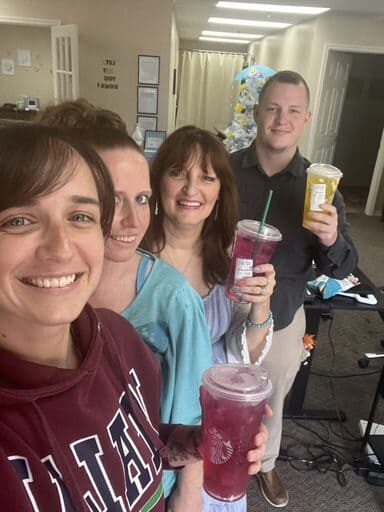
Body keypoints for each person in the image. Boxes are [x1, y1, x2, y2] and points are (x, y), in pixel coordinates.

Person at [0, 123, 268, 511]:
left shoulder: (120, 339)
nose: (59, 248)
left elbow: (141, 442)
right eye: (19, 220)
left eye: (80, 216)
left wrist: (202, 442)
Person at [37, 100, 212, 510]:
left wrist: (189, 492)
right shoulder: (45, 298)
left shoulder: (170, 302)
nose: (132, 222)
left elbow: (189, 424)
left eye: (141, 199)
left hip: (142, 485)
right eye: (111, 199)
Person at [230, 70, 358, 507]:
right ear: (256, 114)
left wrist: (330, 239)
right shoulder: (223, 171)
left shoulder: (320, 188)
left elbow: (341, 266)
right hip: (220, 306)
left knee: (271, 397)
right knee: (206, 386)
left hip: (281, 314)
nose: (281, 119)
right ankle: (211, 460)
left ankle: (266, 464)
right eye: (272, 108)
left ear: (306, 119)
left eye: (293, 111)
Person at [142, 125, 276, 511]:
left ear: (219, 194)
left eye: (206, 177)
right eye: (178, 172)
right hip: (147, 420)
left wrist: (261, 302)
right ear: (158, 182)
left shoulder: (232, 262)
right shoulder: (130, 255)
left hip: (210, 426)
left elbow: (241, 356)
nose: (190, 188)